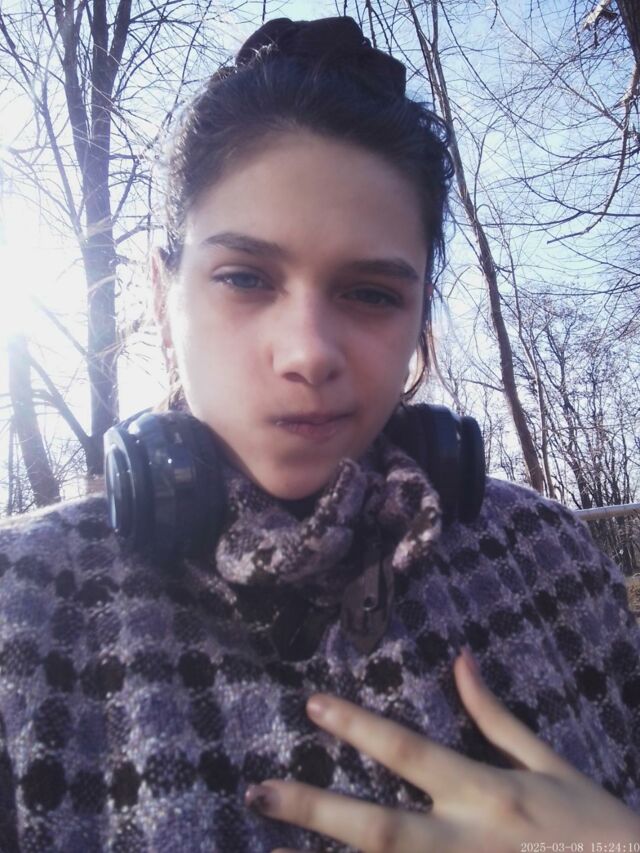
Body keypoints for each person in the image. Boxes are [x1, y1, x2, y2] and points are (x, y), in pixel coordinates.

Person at [0, 15, 639, 853]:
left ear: (418, 316)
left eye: (371, 293)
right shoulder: (26, 607)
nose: (308, 352)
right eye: (245, 277)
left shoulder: (550, 558)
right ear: (161, 294)